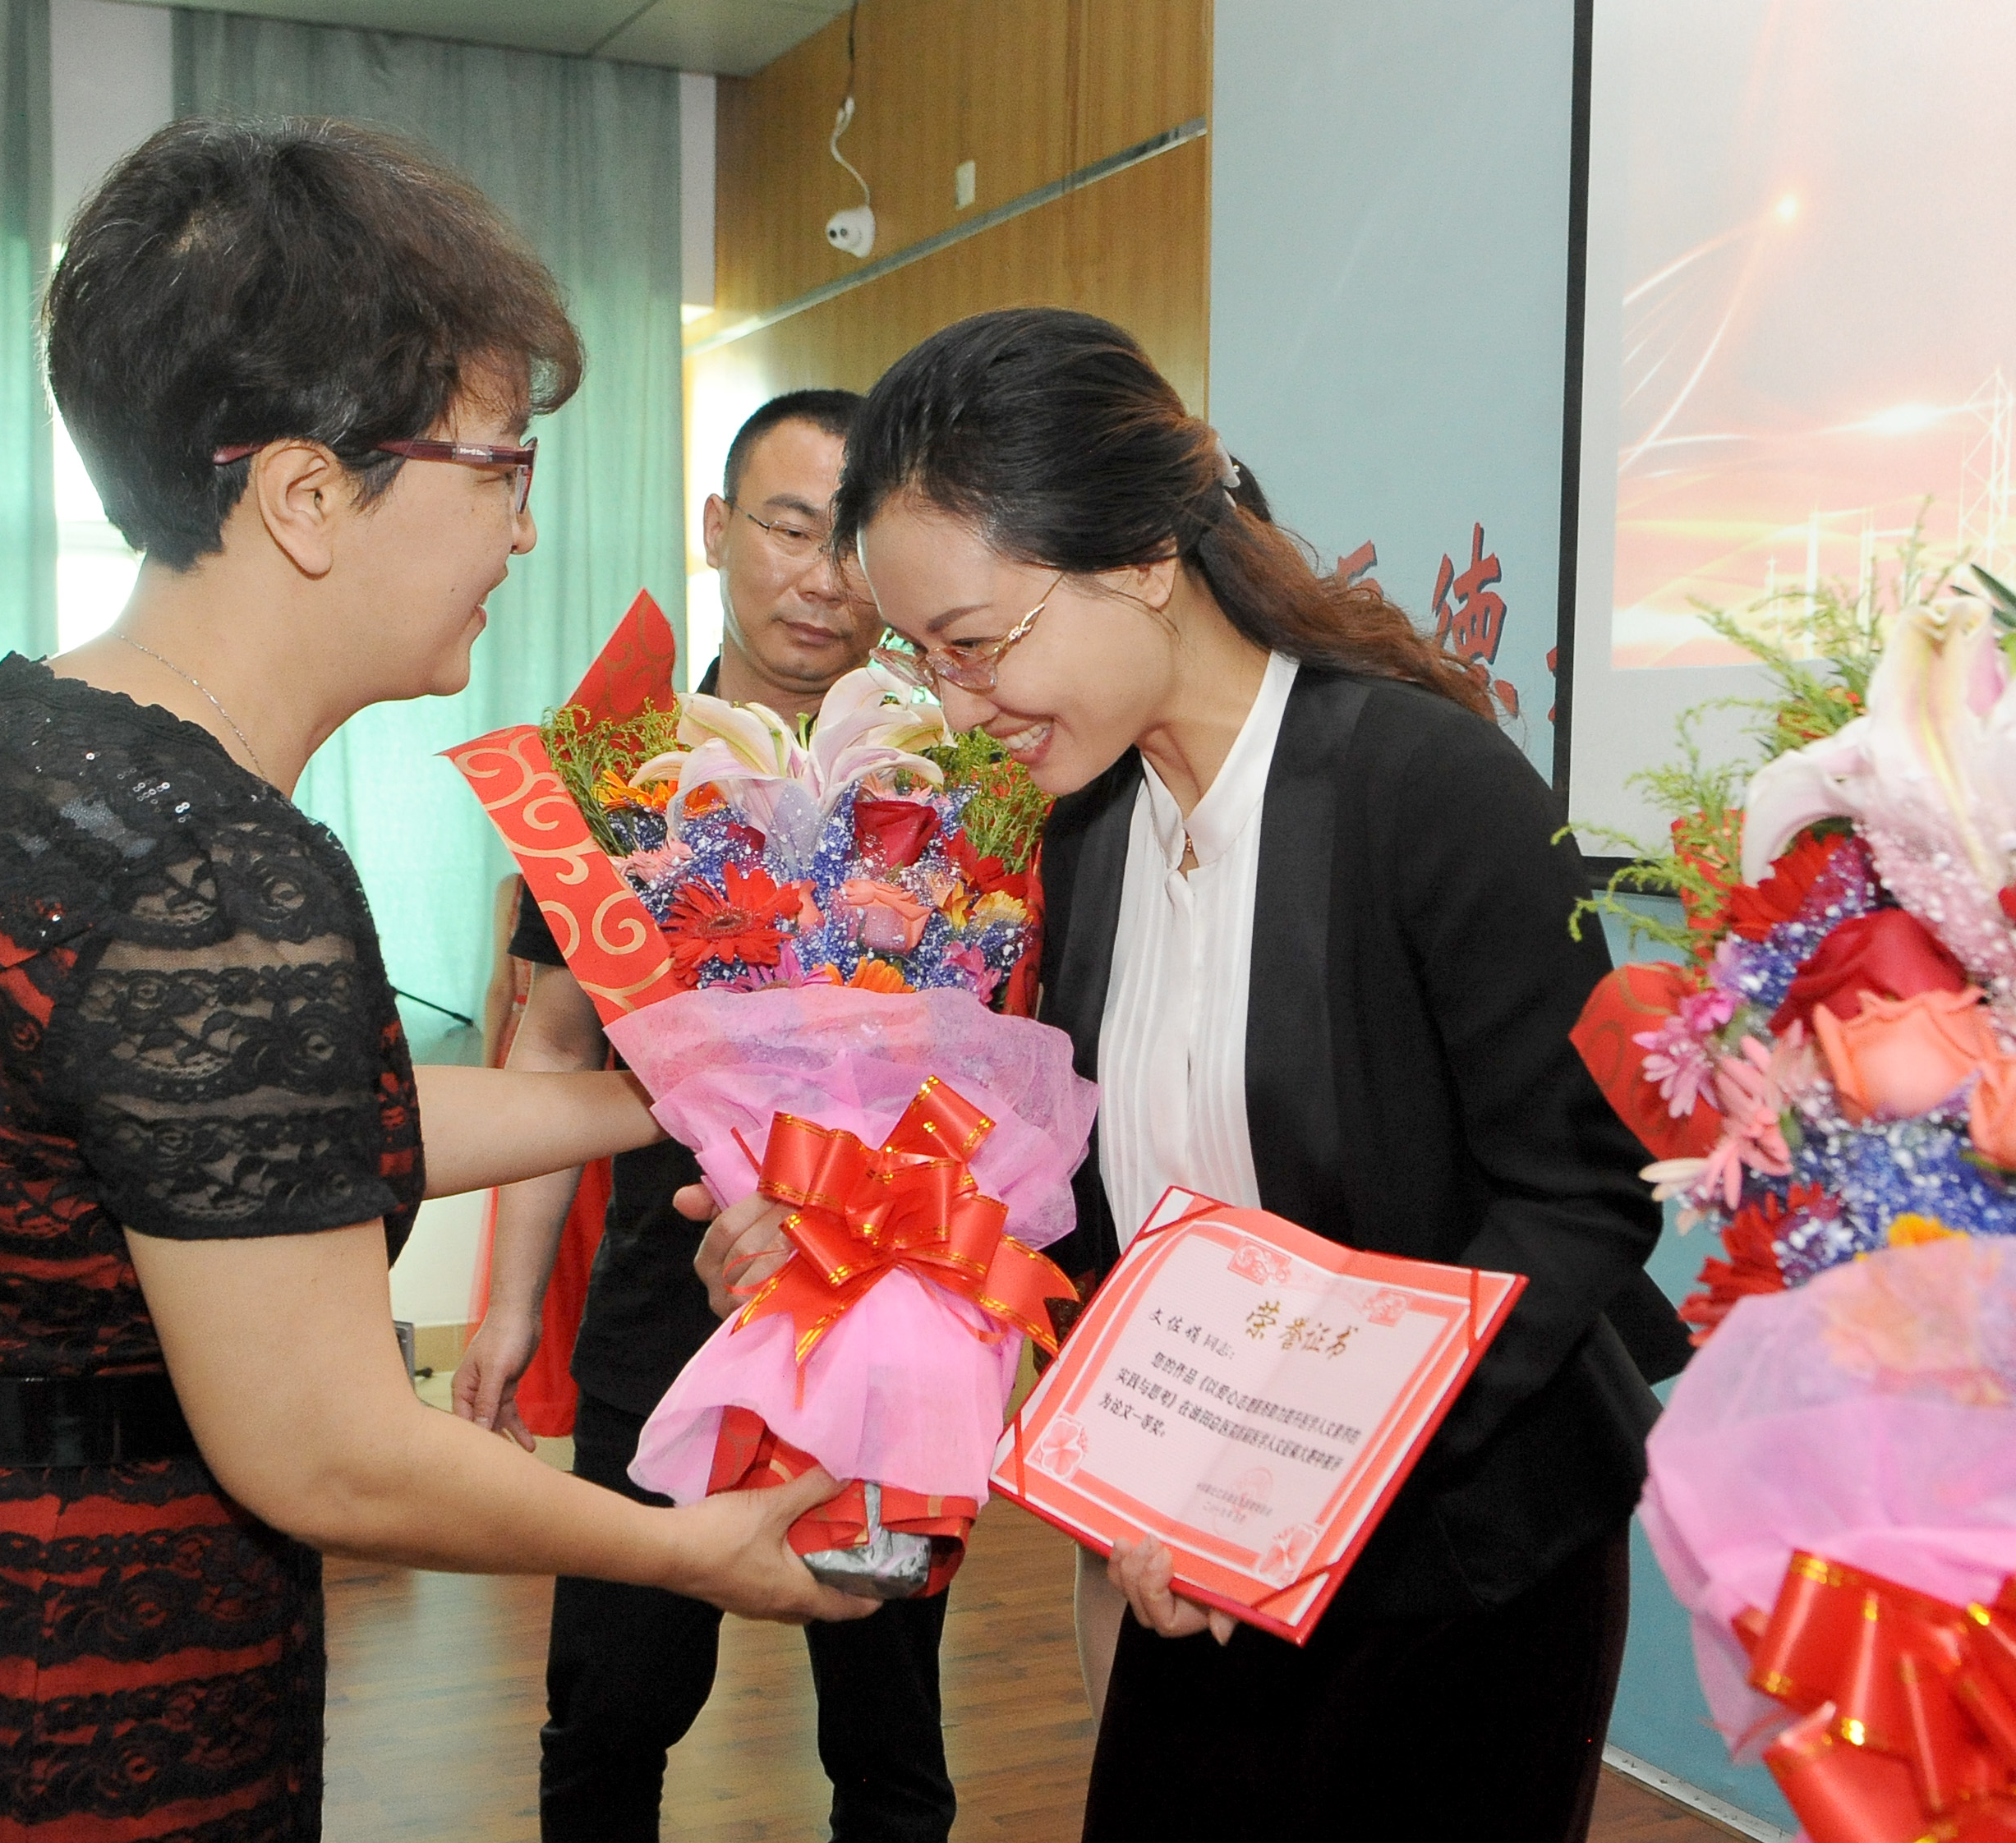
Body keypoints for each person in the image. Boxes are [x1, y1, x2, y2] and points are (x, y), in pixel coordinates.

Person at [0, 119, 864, 1843]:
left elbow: (282, 1138)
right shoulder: (214, 868)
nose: (525, 532)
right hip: (59, 1725)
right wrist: (687, 1550)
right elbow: (323, 1447)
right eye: (500, 465)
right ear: (310, 493)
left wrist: (676, 1082)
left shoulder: (31, 746)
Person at [698, 308, 1672, 1842]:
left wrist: (1297, 1480)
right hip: (1190, 1554)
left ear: (1143, 556)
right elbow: (1109, 1194)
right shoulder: (1088, 825)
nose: (955, 706)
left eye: (976, 644)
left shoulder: (1424, 785)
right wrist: (862, 1237)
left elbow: (1577, 1197)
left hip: (1460, 1562)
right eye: (924, 658)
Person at [451, 390, 960, 1843]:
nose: (821, 576)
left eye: (854, 543)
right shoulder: (618, 782)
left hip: (876, 1315)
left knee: (887, 1731)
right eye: (790, 527)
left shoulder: (947, 788)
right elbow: (551, 1050)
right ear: (716, 528)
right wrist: (503, 1311)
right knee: (609, 1710)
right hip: (654, 1319)